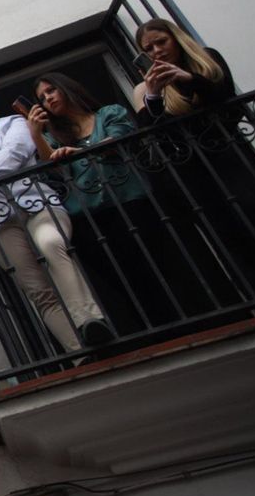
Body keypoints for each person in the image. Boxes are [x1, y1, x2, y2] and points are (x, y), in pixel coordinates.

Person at [0, 78, 110, 353]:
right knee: (38, 290)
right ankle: (80, 352)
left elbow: (16, 153)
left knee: (51, 244)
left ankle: (90, 321)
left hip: (37, 203)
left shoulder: (13, 123)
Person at [21, 73, 170, 335]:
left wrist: (79, 152)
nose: (48, 99)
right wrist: (36, 135)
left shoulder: (108, 114)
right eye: (42, 98)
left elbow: (119, 141)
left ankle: (174, 323)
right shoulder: (55, 136)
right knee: (120, 280)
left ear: (67, 87)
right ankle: (148, 332)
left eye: (51, 91)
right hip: (88, 216)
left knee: (155, 268)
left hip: (130, 203)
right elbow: (54, 169)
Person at [129, 19, 255, 307]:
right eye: (148, 48)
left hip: (229, 156)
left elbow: (228, 102)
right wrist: (153, 94)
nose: (156, 51)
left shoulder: (206, 60)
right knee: (228, 233)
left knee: (253, 211)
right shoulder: (143, 89)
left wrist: (187, 79)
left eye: (161, 42)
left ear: (175, 38)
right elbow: (154, 135)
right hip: (193, 172)